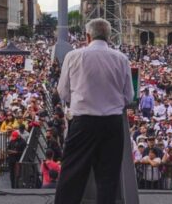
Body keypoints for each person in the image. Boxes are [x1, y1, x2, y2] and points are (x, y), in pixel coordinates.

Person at [55, 19, 134, 204]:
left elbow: (63, 92)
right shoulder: (121, 58)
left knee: (72, 174)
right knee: (108, 177)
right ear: (109, 36)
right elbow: (129, 96)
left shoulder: (73, 56)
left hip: (83, 122)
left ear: (87, 36)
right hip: (112, 123)